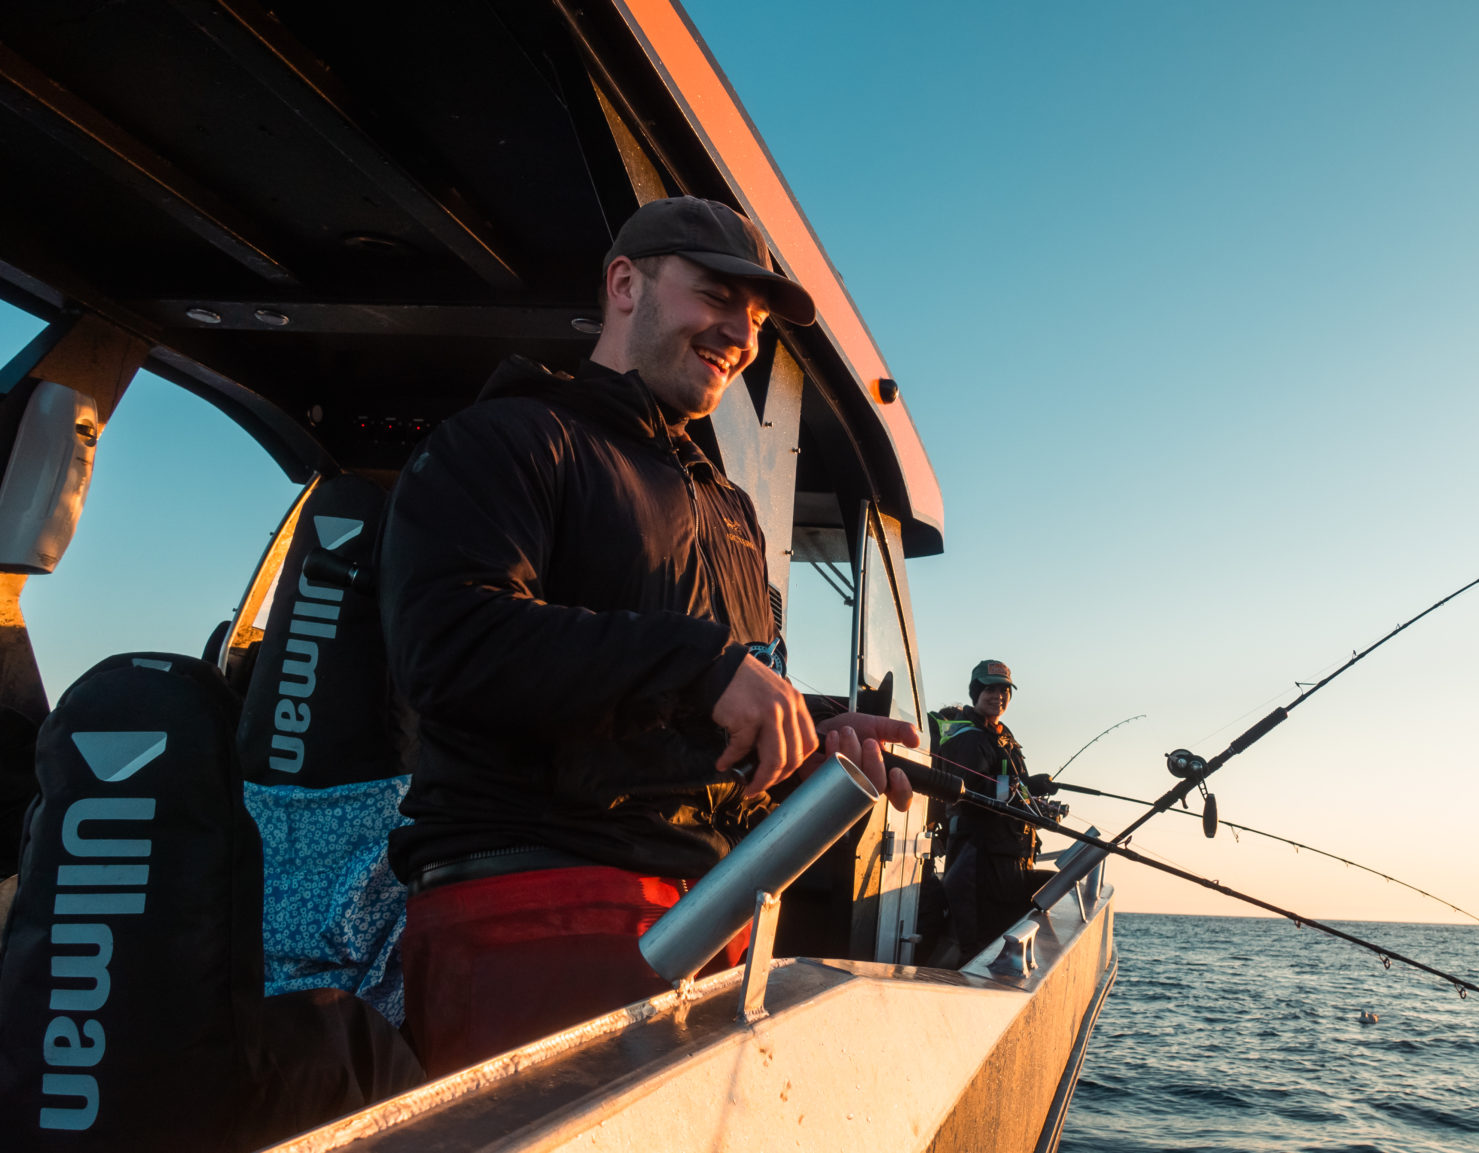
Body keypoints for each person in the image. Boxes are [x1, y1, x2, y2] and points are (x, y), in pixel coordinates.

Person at [378, 196, 916, 1075]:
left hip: (711, 920)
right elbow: (449, 641)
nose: (740, 333)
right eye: (716, 295)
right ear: (626, 284)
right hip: (535, 914)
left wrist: (811, 733)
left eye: (755, 319)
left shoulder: (730, 510)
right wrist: (702, 667)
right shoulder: (511, 439)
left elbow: (708, 696)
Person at [934, 660, 1056, 959]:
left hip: (1008, 858)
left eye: (1004, 690)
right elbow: (967, 791)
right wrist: (1023, 788)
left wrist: (1032, 793)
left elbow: (1006, 786)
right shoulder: (970, 738)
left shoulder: (1002, 736)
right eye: (990, 689)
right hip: (979, 858)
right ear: (976, 692)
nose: (998, 696)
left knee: (1004, 928)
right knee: (979, 943)